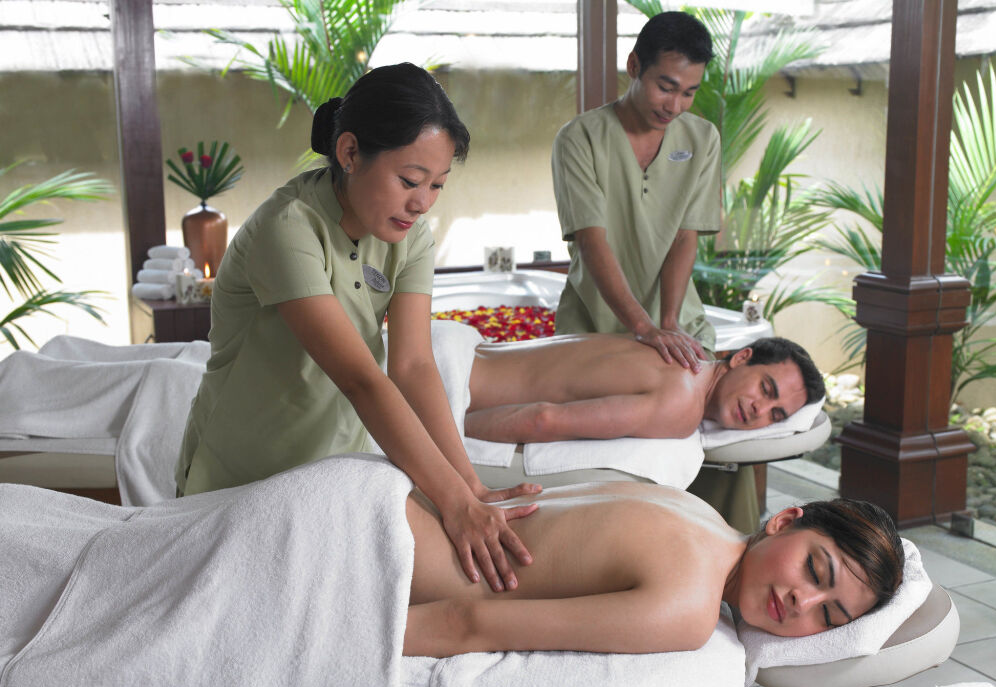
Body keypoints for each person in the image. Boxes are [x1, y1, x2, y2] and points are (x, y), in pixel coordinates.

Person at [175, 63, 538, 594]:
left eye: (437, 185)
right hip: (238, 478)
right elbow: (362, 379)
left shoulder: (411, 237)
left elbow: (413, 366)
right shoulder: (287, 229)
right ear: (349, 153)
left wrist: (470, 487)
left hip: (330, 478)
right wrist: (454, 503)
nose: (422, 202)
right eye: (409, 181)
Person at [403, 484, 905, 656]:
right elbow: (466, 623)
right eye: (814, 570)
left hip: (391, 495)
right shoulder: (689, 608)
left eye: (828, 617)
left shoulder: (693, 506)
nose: (802, 602)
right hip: (381, 551)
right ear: (784, 521)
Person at [550, 11, 719, 369]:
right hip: (592, 329)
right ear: (634, 66)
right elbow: (591, 240)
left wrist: (668, 323)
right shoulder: (579, 138)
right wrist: (643, 328)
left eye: (689, 93)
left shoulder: (703, 139)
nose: (675, 106)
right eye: (666, 88)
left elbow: (684, 237)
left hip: (677, 326)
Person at [463, 334, 824, 443]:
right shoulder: (682, 405)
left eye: (776, 415)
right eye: (766, 389)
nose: (760, 409)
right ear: (741, 357)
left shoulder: (675, 347)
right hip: (451, 385)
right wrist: (440, 432)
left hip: (462, 348)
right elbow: (543, 421)